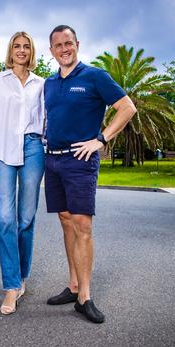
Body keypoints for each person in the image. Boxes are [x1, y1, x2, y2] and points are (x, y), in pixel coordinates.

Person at [43, 25, 136, 323]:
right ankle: (72, 286)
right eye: (58, 45)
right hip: (53, 161)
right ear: (52, 50)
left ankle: (84, 297)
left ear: (77, 44)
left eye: (68, 43)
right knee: (65, 221)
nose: (64, 49)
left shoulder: (94, 76)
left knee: (82, 225)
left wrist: (102, 139)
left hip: (80, 161)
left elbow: (127, 108)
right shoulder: (49, 83)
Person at [0, 31, 45, 315]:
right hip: (2, 151)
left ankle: (21, 277)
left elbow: (47, 120)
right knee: (6, 219)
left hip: (32, 149)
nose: (21, 50)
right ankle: (10, 287)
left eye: (26, 46)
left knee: (26, 219)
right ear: (10, 50)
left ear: (32, 52)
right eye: (16, 46)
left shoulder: (41, 84)